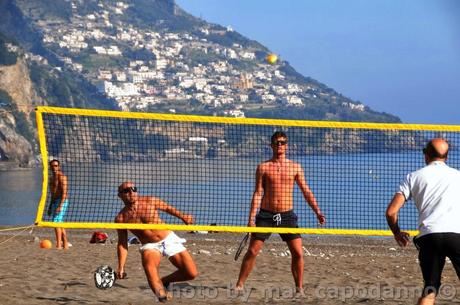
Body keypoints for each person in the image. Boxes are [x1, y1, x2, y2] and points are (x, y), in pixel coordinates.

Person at [236, 131, 326, 294]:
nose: (280, 145)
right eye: (277, 142)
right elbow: (257, 193)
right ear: (271, 145)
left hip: (287, 215)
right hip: (266, 214)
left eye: (283, 142)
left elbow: (306, 190)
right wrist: (251, 219)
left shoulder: (295, 167)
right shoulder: (263, 167)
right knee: (252, 251)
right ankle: (239, 285)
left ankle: (299, 288)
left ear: (287, 145)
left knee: (298, 253)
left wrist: (317, 211)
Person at [386, 138, 460, 305]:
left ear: (426, 155)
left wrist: (397, 232)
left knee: (430, 288)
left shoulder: (413, 177)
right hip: (457, 234)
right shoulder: (458, 177)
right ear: (446, 157)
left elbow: (391, 212)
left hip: (429, 235)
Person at [115, 181, 198, 302]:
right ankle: (162, 296)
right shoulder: (121, 218)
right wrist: (121, 267)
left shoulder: (150, 201)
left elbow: (167, 208)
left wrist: (183, 216)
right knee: (150, 270)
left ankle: (165, 280)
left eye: (134, 189)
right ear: (120, 195)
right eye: (126, 191)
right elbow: (122, 243)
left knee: (191, 273)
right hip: (150, 246)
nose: (131, 192)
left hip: (168, 238)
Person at [47, 159, 70, 249]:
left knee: (56, 221)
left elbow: (64, 193)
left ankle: (59, 245)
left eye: (56, 166)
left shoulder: (62, 177)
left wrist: (60, 205)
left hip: (62, 201)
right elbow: (53, 194)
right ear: (50, 167)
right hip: (55, 201)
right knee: (59, 222)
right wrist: (50, 206)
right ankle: (65, 244)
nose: (54, 168)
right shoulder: (51, 179)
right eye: (52, 166)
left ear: (59, 166)